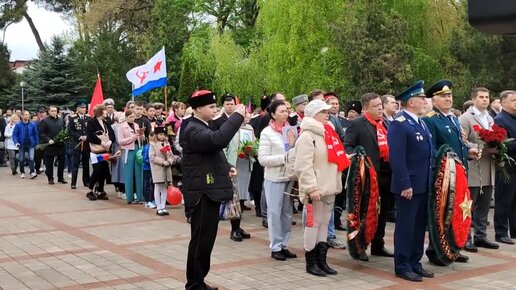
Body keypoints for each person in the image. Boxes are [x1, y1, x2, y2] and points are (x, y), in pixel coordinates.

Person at [180, 90, 245, 290]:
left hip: (207, 190)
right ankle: (194, 284)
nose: (214, 109)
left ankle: (198, 281)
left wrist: (226, 167)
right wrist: (237, 117)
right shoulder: (193, 128)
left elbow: (211, 152)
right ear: (198, 109)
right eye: (210, 106)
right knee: (201, 240)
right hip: (202, 193)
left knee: (205, 240)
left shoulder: (201, 125)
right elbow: (218, 140)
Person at [295, 99, 350, 276]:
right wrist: (311, 187)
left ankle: (322, 261)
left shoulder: (328, 131)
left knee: (325, 223)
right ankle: (311, 263)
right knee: (313, 224)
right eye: (324, 112)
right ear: (314, 115)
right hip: (316, 188)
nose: (328, 114)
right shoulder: (307, 136)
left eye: (327, 112)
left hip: (329, 186)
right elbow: (303, 165)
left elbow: (333, 157)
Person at [422, 80, 474, 265]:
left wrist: (469, 152)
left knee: (456, 213)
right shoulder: (430, 119)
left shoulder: (452, 118)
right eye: (443, 96)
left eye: (450, 96)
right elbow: (432, 149)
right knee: (441, 213)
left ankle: (452, 248)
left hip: (459, 173)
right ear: (434, 100)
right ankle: (435, 251)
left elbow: (458, 144)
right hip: (443, 175)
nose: (448, 99)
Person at [388, 80, 434, 282]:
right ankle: (403, 265)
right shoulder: (399, 124)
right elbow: (397, 157)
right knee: (406, 227)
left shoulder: (420, 122)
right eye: (422, 98)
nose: (425, 101)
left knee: (418, 226)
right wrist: (404, 183)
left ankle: (415, 261)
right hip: (408, 186)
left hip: (423, 184)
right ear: (411, 101)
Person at [344, 93, 394, 260]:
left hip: (386, 174)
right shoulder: (357, 124)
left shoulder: (386, 123)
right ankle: (360, 246)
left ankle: (378, 244)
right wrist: (358, 157)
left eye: (381, 105)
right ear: (365, 108)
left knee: (383, 211)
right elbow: (348, 146)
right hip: (367, 176)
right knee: (365, 211)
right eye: (375, 106)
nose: (380, 108)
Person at [459, 87, 499, 252]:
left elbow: (495, 136)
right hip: (473, 166)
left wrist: (498, 147)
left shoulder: (489, 118)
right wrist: (479, 147)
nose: (485, 100)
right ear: (474, 99)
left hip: (488, 167)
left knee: (483, 205)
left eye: (487, 97)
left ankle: (481, 236)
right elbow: (462, 140)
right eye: (481, 97)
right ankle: (465, 237)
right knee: (468, 205)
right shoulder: (466, 118)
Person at [258, 100, 297, 261]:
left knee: (287, 213)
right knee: (275, 212)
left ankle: (284, 244)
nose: (285, 113)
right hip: (274, 178)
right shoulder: (267, 132)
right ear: (273, 114)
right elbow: (263, 159)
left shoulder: (291, 130)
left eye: (286, 111)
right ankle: (275, 246)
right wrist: (284, 158)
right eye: (281, 111)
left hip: (290, 176)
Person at [214, 94, 252, 242]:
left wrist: (251, 150)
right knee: (233, 197)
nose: (230, 106)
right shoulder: (220, 122)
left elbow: (251, 141)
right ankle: (234, 228)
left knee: (242, 196)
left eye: (232, 104)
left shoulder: (246, 125)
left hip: (244, 162)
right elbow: (220, 144)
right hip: (231, 164)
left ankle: (239, 225)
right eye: (227, 104)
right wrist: (225, 164)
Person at [493, 90, 516, 245]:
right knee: (504, 200)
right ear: (504, 102)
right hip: (506, 165)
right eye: (514, 100)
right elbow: (504, 144)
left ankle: (514, 230)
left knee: (515, 200)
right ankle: (501, 232)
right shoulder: (500, 120)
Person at [86, 104, 116, 201]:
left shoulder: (106, 122)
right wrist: (102, 142)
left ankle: (100, 190)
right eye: (105, 110)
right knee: (97, 170)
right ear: (100, 111)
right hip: (96, 151)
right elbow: (91, 136)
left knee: (103, 170)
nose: (106, 112)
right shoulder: (91, 122)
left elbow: (111, 134)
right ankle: (90, 190)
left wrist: (110, 141)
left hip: (105, 150)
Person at [150, 126, 180, 216]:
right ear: (156, 135)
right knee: (158, 186)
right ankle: (158, 207)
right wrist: (163, 162)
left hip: (167, 168)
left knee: (164, 187)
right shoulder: (152, 144)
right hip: (158, 168)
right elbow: (152, 157)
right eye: (160, 134)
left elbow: (171, 155)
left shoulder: (167, 143)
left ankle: (163, 206)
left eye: (164, 134)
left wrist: (170, 161)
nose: (162, 136)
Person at [118, 109, 145, 204]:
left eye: (133, 117)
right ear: (126, 117)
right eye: (130, 117)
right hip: (128, 150)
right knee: (128, 174)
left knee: (139, 173)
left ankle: (140, 196)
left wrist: (141, 136)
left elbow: (140, 137)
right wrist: (133, 137)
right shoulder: (122, 127)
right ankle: (130, 197)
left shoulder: (136, 125)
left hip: (137, 149)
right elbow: (120, 141)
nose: (132, 119)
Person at [38, 106, 67, 185]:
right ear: (49, 112)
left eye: (55, 111)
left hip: (60, 144)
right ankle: (50, 178)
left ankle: (60, 177)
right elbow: (41, 133)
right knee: (49, 162)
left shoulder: (61, 120)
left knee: (62, 161)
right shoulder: (45, 121)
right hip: (50, 145)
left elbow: (64, 130)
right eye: (52, 111)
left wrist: (64, 137)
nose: (54, 112)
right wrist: (48, 139)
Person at [68, 99, 91, 189]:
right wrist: (79, 137)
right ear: (78, 108)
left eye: (84, 107)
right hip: (76, 143)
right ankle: (73, 182)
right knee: (75, 164)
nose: (83, 109)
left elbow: (90, 130)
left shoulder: (88, 118)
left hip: (86, 144)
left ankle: (86, 181)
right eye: (82, 107)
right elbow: (70, 131)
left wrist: (86, 136)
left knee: (86, 163)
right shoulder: (73, 118)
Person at [142, 132, 156, 209]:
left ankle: (152, 199)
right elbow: (145, 158)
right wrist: (154, 161)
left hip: (153, 169)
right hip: (147, 168)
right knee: (147, 185)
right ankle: (147, 201)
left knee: (153, 185)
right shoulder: (148, 147)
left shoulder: (153, 146)